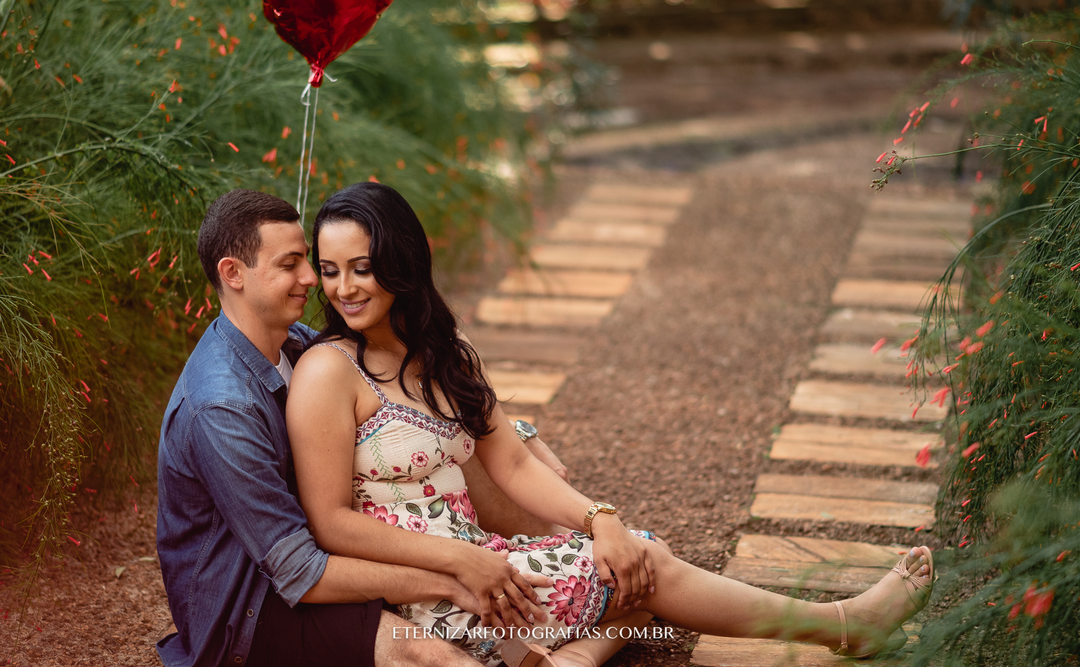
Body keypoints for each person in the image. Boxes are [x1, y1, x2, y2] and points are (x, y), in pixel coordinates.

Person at [286, 182, 935, 667]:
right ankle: (842, 622)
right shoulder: (329, 371)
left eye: (362, 267)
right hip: (424, 597)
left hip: (485, 564)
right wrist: (457, 563)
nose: (344, 287)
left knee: (632, 557)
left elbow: (512, 463)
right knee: (650, 567)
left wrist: (601, 518)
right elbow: (331, 521)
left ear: (399, 261)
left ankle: (573, 656)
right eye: (332, 268)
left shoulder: (444, 355)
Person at [156, 189, 515, 667]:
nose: (311, 278)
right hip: (252, 613)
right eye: (291, 265)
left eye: (309, 261)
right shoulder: (221, 408)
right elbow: (298, 570)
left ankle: (579, 574)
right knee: (432, 653)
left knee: (476, 475)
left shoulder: (295, 344)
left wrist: (518, 438)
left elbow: (411, 408)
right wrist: (451, 574)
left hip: (324, 566)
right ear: (233, 274)